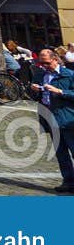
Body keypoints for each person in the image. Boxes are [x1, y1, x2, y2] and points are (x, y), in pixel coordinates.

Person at [27, 48, 74, 193]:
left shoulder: (69, 75)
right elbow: (34, 96)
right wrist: (33, 90)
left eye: (46, 63)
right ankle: (69, 182)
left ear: (55, 59)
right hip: (50, 117)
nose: (43, 66)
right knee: (61, 153)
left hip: (68, 117)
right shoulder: (40, 74)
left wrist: (60, 91)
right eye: (41, 63)